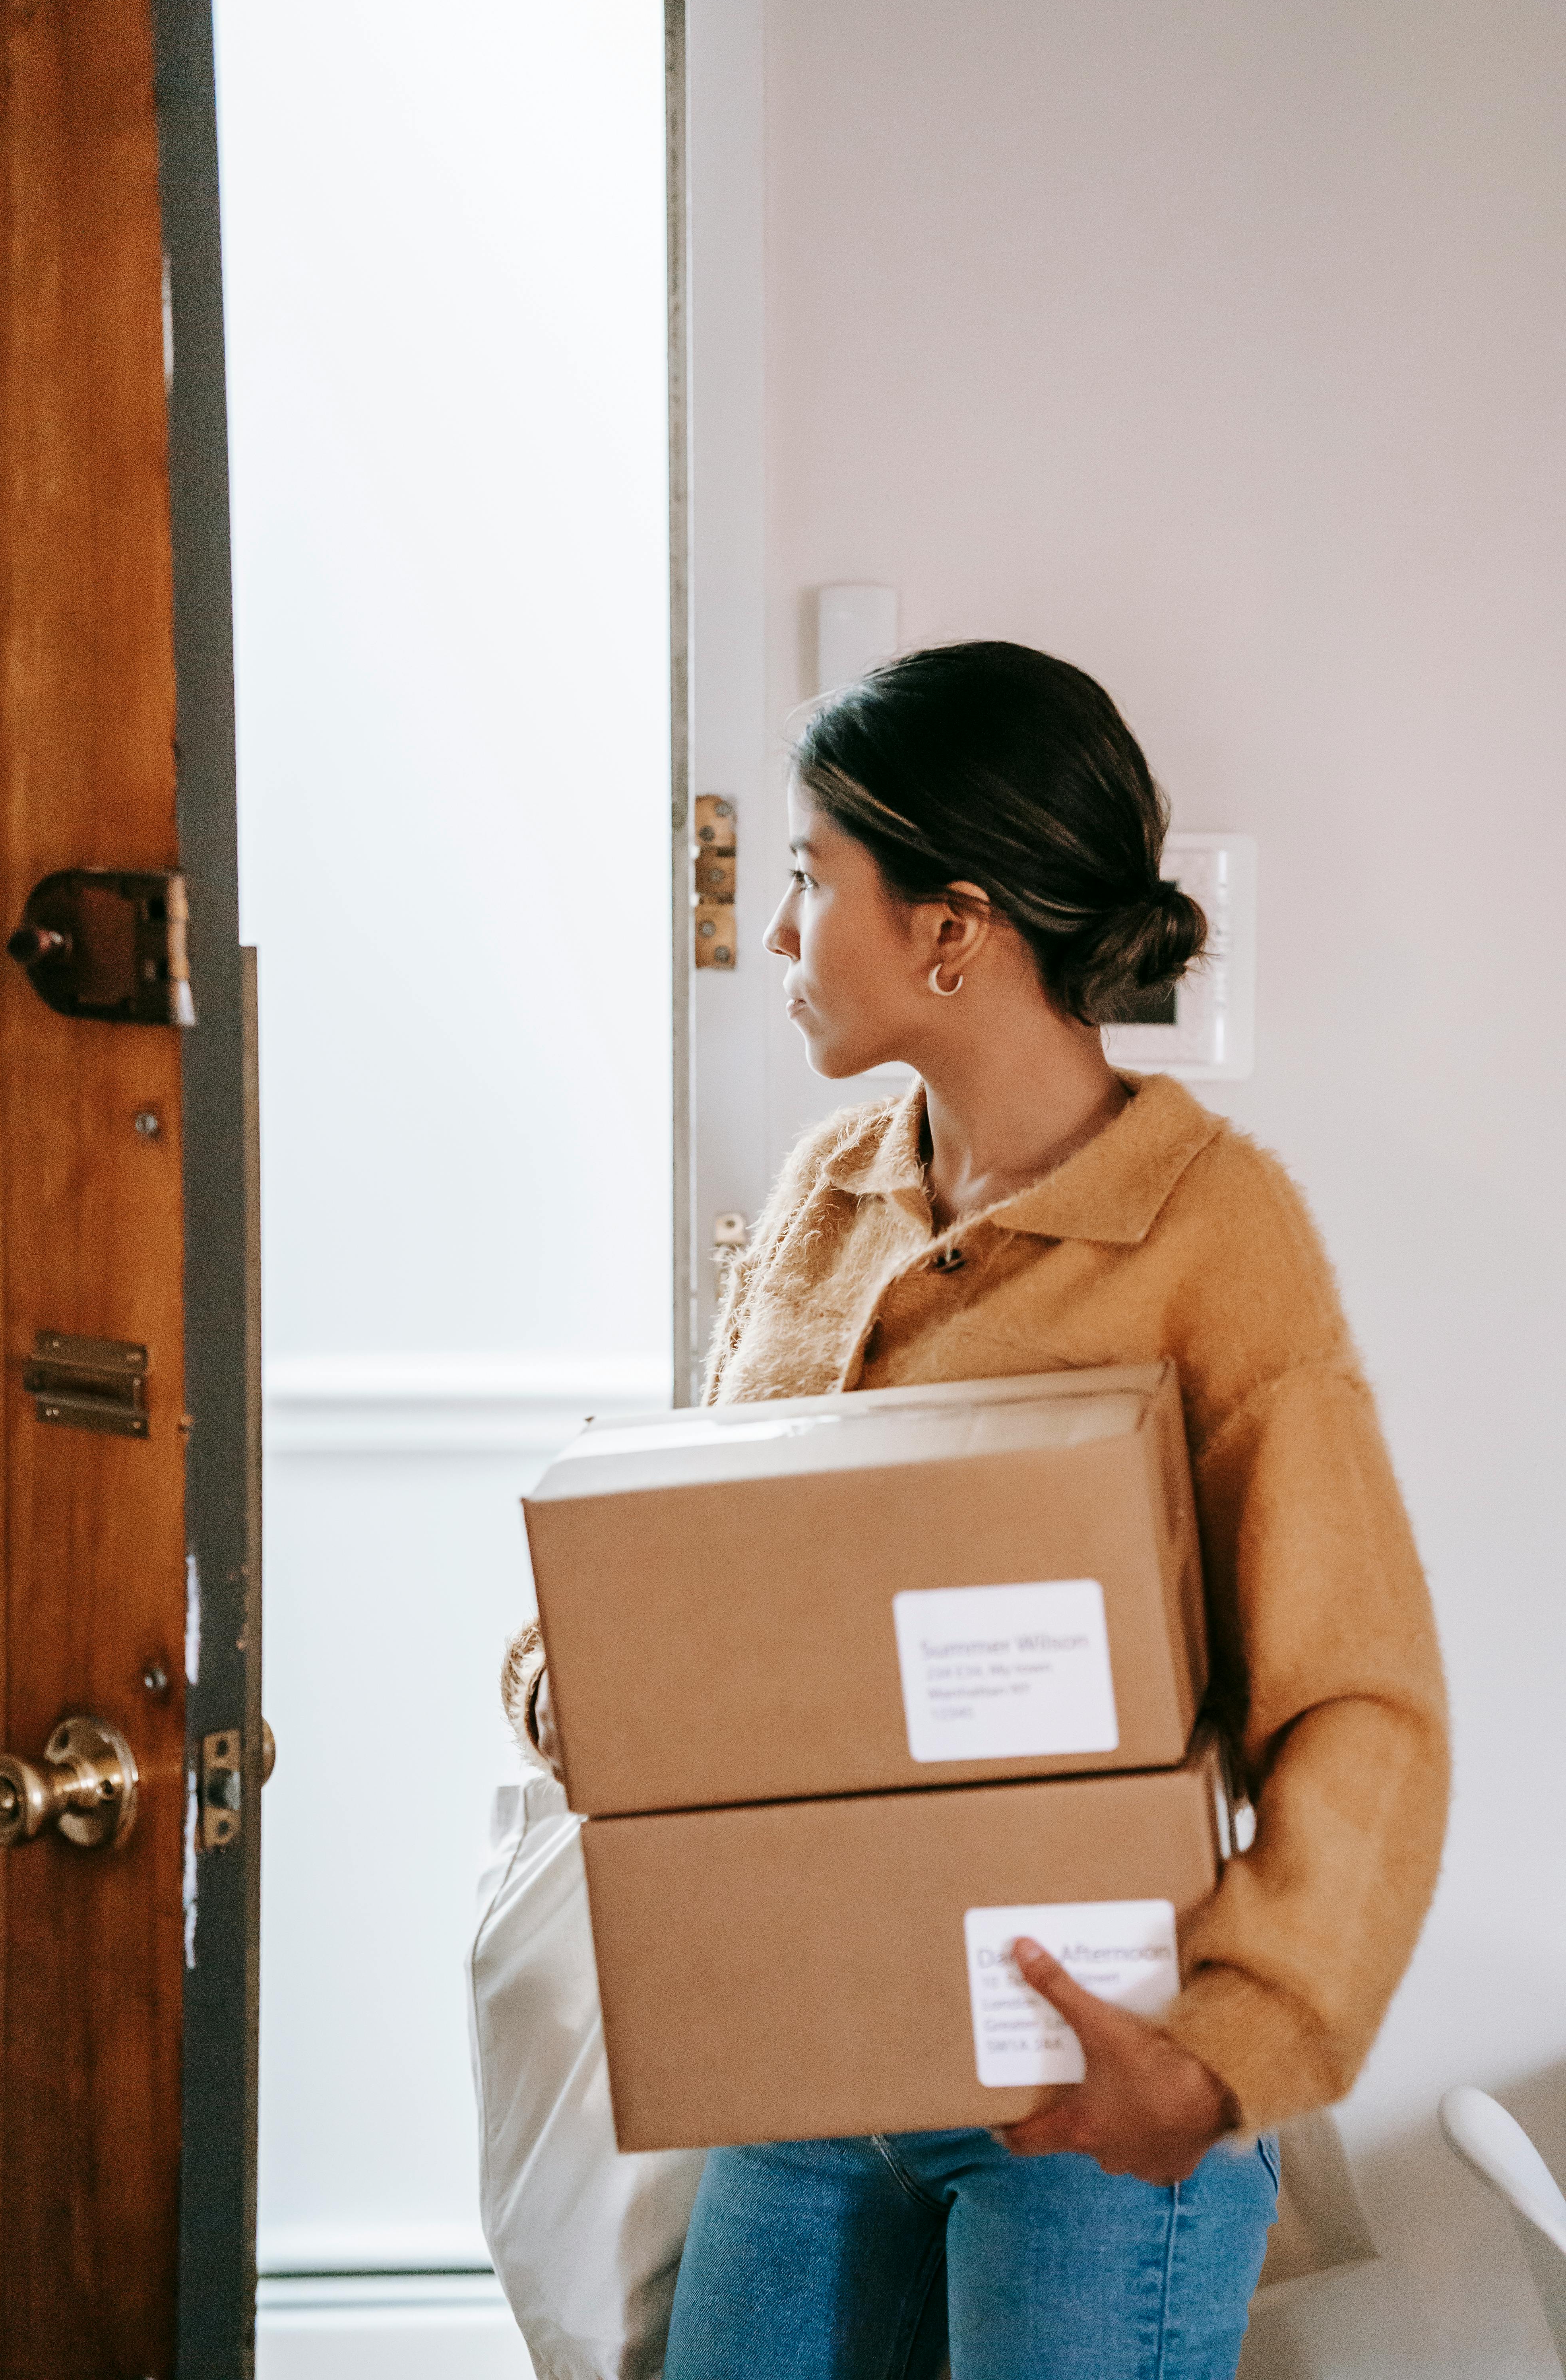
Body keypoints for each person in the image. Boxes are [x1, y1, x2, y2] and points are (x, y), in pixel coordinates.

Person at [504, 642, 1449, 2380]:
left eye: (808, 876)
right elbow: (706, 1563)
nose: (779, 932)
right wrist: (580, 1688)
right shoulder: (823, 1195)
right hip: (801, 2077)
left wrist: (1227, 2048)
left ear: (950, 926)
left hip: (1082, 2099)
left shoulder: (1214, 1237)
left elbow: (1362, 1704)